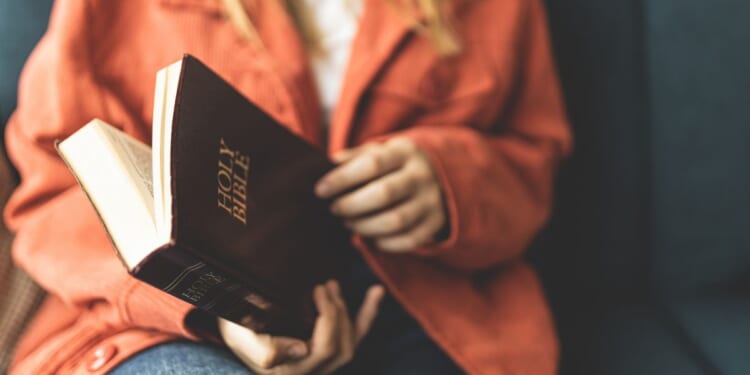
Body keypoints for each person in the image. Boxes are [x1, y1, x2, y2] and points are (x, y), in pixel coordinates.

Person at [4, 0, 572, 374]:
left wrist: (449, 181)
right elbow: (55, 192)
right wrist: (211, 313)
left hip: (424, 305)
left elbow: (532, 161)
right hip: (168, 319)